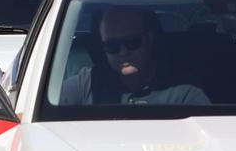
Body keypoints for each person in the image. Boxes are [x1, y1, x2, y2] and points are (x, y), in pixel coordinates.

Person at [60, 8, 209, 105]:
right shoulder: (88, 82)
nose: (123, 52)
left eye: (133, 42)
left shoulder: (184, 91)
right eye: (112, 46)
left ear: (149, 39)